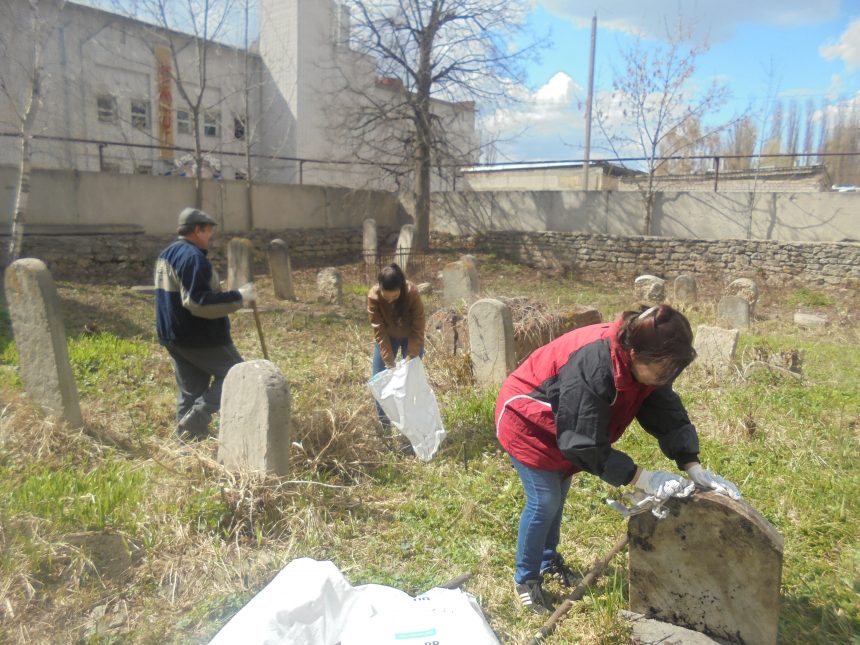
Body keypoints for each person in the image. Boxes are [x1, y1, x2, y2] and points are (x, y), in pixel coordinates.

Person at [495, 304, 740, 614]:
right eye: (663, 369)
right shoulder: (594, 364)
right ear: (635, 353)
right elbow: (582, 442)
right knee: (544, 500)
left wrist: (690, 462)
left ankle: (547, 561)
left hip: (565, 426)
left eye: (672, 371)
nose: (667, 378)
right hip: (528, 420)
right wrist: (643, 478)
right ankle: (526, 580)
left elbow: (663, 409)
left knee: (557, 495)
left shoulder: (642, 362)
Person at [154, 207, 255, 441]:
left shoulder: (167, 253)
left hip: (174, 335)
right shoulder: (192, 258)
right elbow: (199, 303)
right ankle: (198, 417)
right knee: (236, 376)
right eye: (208, 230)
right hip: (199, 337)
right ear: (197, 230)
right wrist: (239, 296)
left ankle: (188, 441)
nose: (210, 236)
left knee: (190, 390)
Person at [367, 263, 426, 430]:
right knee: (379, 380)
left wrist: (410, 356)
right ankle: (385, 426)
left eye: (394, 297)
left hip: (410, 337)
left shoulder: (412, 292)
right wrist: (389, 361)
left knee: (410, 382)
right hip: (388, 337)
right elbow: (379, 330)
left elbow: (418, 326)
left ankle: (411, 426)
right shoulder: (374, 296)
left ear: (401, 287)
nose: (390, 301)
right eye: (387, 298)